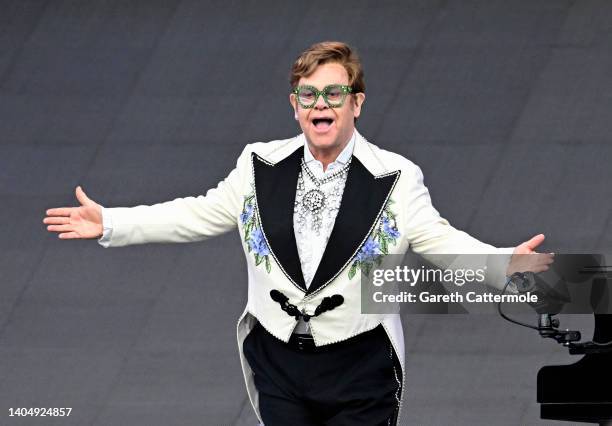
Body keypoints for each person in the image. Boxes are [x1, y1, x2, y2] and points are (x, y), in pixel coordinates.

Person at [43, 41, 552, 425]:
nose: (320, 104)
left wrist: (501, 263)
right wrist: (111, 221)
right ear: (294, 105)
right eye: (308, 94)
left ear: (357, 103)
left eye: (334, 92)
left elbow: (440, 240)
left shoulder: (395, 178)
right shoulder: (259, 165)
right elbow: (197, 214)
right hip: (279, 359)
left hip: (360, 363)